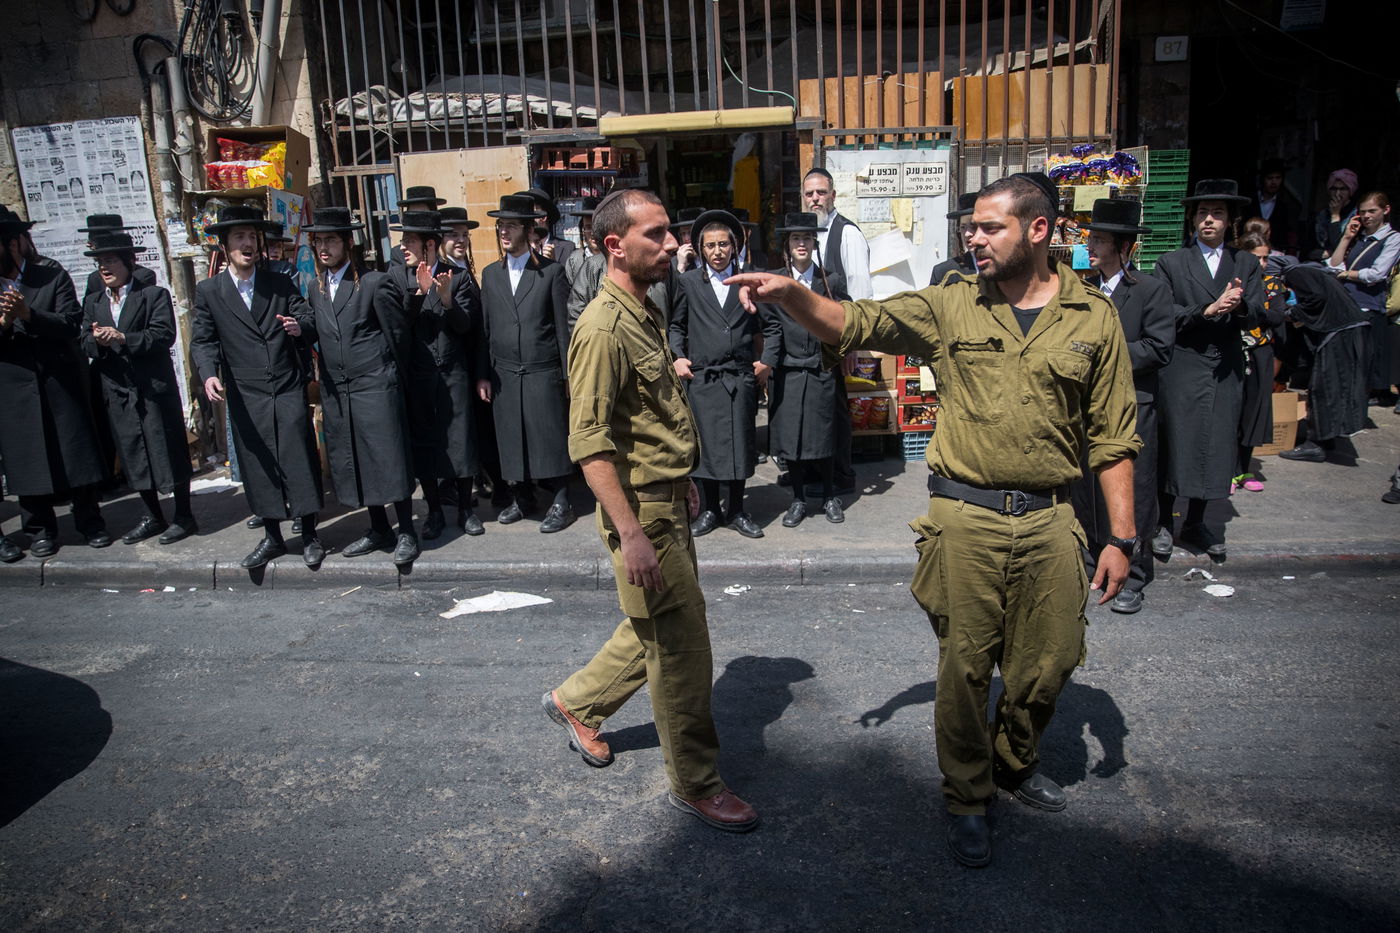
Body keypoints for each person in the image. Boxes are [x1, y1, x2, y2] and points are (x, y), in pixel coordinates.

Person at [727, 172, 1140, 868]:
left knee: (1051, 663)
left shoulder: (1092, 316)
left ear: (1038, 230)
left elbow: (1114, 437)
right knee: (965, 668)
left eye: (989, 226)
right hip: (965, 518)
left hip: (1050, 522)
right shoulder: (951, 304)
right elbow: (855, 323)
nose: (972, 237)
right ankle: (968, 795)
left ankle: (1012, 762)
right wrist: (792, 292)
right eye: (970, 227)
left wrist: (1121, 537)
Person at [544, 187, 758, 833]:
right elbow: (591, 443)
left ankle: (577, 701)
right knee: (683, 649)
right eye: (658, 235)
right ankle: (697, 782)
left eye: (672, 234)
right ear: (616, 245)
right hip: (643, 516)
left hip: (664, 497)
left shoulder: (643, 308)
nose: (674, 245)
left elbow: (649, 415)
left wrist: (679, 473)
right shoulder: (603, 327)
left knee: (657, 626)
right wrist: (632, 531)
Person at [191, 205, 325, 570]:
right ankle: (273, 537)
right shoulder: (210, 291)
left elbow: (307, 316)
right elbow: (202, 340)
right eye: (239, 237)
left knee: (298, 457)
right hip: (246, 392)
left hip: (285, 385)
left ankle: (311, 534)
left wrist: (299, 326)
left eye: (252, 237)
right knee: (257, 463)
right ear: (225, 245)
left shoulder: (278, 283)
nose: (248, 243)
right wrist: (208, 374)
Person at [296, 206, 420, 565]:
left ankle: (407, 531)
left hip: (375, 386)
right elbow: (317, 330)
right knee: (357, 461)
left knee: (388, 458)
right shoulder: (315, 288)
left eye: (331, 240)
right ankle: (379, 526)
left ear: (348, 243)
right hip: (339, 390)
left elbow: (398, 336)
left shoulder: (373, 282)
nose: (323, 247)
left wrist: (392, 380)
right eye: (318, 241)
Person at [1150, 179, 1264, 560]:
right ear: (1192, 219)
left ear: (1230, 220)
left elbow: (1265, 314)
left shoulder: (1245, 263)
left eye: (1217, 213)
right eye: (1202, 212)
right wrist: (1207, 310)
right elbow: (1163, 315)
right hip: (1183, 365)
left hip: (1224, 367)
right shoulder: (1172, 262)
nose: (1209, 220)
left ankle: (1197, 521)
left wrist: (1240, 306)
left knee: (1215, 445)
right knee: (1175, 442)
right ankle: (1164, 521)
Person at [1072, 198, 1174, 615]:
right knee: (1089, 487)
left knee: (1135, 489)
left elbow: (1159, 347)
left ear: (1123, 246)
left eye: (1099, 239)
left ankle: (1134, 573)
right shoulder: (1085, 290)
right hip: (1089, 406)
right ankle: (1093, 562)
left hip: (1135, 406)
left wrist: (1103, 353)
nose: (1091, 246)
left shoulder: (1150, 290)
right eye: (1090, 237)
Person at [0, 210, 112, 559]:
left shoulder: (49, 277)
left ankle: (90, 521)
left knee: (74, 452)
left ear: (15, 243)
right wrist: (4, 322)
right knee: (27, 458)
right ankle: (39, 529)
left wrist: (29, 315)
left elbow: (70, 322)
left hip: (58, 379)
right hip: (13, 387)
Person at [80, 231, 197, 546]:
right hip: (118, 390)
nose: (105, 268)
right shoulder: (93, 301)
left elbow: (163, 335)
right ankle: (152, 515)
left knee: (168, 449)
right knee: (133, 452)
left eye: (111, 261)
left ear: (129, 262)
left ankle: (184, 515)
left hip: (152, 388)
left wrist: (122, 338)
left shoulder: (152, 296)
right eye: (101, 262)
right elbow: (83, 340)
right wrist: (95, 340)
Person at [669, 209, 772, 538]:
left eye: (724, 244)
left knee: (740, 444)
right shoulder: (688, 283)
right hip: (703, 379)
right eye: (710, 245)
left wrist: (767, 360)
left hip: (739, 377)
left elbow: (771, 326)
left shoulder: (750, 282)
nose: (717, 251)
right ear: (700, 249)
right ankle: (711, 508)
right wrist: (678, 356)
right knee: (707, 447)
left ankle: (738, 510)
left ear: (735, 247)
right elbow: (676, 326)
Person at [388, 209, 489, 538]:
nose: (403, 247)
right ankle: (433, 511)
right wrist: (418, 294)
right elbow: (399, 326)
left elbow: (467, 326)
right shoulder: (400, 277)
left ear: (429, 245)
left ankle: (465, 509)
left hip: (453, 373)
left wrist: (446, 299)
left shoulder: (456, 277)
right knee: (427, 445)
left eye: (410, 241)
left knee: (460, 443)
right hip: (419, 377)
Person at [480, 194, 575, 532]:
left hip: (542, 369)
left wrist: (567, 374)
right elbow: (486, 330)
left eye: (510, 226)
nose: (504, 232)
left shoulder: (550, 273)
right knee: (512, 437)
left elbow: (562, 330)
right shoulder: (491, 275)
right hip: (504, 372)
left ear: (527, 229)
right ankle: (523, 496)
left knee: (550, 436)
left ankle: (562, 500)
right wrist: (483, 374)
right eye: (500, 226)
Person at [760, 212, 850, 528]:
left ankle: (828, 496)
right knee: (791, 440)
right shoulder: (776, 281)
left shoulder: (830, 280)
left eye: (807, 238)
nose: (802, 243)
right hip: (787, 371)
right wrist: (767, 364)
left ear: (814, 244)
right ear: (788, 243)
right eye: (796, 238)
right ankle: (798, 499)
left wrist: (839, 354)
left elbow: (845, 318)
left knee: (823, 437)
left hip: (820, 370)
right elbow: (769, 324)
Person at [804, 166, 869, 494]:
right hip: (809, 341)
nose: (815, 199)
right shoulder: (804, 233)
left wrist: (851, 346)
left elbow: (860, 295)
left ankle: (842, 476)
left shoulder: (848, 234)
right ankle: (816, 472)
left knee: (837, 410)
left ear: (833, 195)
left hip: (837, 339)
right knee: (816, 408)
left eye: (820, 192)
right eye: (809, 194)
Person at [1275, 265, 1370, 462]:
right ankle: (1324, 436)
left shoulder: (1296, 273)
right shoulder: (1318, 274)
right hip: (1349, 332)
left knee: (1324, 387)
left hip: (1341, 335)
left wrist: (1291, 313)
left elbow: (1315, 299)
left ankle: (1315, 444)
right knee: (1332, 388)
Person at [1324, 191, 1399, 406]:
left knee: (1362, 363)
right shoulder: (1359, 238)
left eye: (1372, 211)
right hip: (1347, 304)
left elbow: (1376, 274)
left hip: (1369, 308)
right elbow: (1333, 265)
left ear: (1386, 210)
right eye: (1363, 212)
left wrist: (1347, 275)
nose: (1366, 216)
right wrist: (1346, 237)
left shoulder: (1393, 239)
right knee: (1345, 361)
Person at [1233, 231, 1289, 485]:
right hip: (1234, 351)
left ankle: (1243, 469)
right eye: (1257, 258)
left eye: (1266, 258)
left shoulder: (1272, 284)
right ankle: (1226, 471)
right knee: (1231, 411)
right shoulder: (1232, 282)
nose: (1263, 264)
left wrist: (1249, 310)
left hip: (1260, 352)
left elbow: (1277, 316)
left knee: (1254, 411)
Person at [76, 214, 157, 299]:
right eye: (100, 262)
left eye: (109, 261)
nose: (88, 244)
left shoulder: (142, 275)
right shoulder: (94, 279)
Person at [1245, 158, 1301, 253]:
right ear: (1263, 179)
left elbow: (1289, 232)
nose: (1274, 182)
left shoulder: (1286, 205)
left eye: (1278, 178)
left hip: (1275, 252)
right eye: (1270, 178)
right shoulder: (1249, 201)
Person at [1301, 169, 1358, 262]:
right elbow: (1307, 249)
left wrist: (1335, 216)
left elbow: (1339, 247)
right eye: (1334, 189)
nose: (1337, 194)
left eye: (1343, 189)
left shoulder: (1356, 215)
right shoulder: (1322, 215)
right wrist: (1322, 254)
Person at [389, 185, 448, 265]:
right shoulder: (398, 254)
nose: (417, 217)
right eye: (413, 213)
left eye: (422, 213)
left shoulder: (445, 246)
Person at [517, 187, 574, 268]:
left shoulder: (567, 248)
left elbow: (571, 279)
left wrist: (552, 264)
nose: (527, 218)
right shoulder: (519, 248)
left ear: (543, 217)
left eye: (531, 213)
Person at [928, 193, 979, 284]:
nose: (967, 234)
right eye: (963, 227)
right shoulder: (944, 272)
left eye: (973, 226)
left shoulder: (1004, 267)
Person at [670, 206, 705, 273]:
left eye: (690, 232)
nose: (686, 239)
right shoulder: (675, 263)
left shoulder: (716, 258)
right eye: (683, 233)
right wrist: (681, 266)